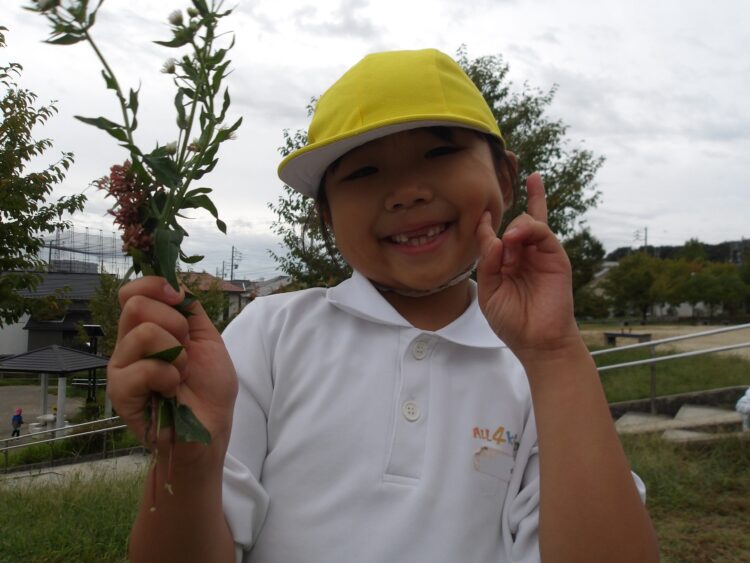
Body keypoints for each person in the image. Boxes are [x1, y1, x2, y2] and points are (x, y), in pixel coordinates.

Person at [108, 49, 658, 562]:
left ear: (506, 177)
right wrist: (190, 460)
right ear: (326, 216)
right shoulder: (271, 333)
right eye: (363, 172)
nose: (406, 192)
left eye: (440, 152)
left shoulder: (539, 371)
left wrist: (556, 355)